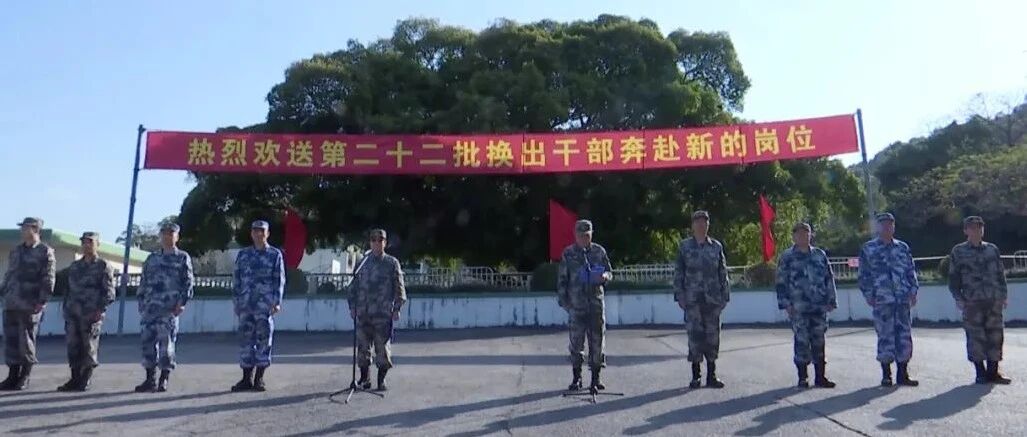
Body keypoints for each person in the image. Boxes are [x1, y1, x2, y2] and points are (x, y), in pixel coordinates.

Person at [948, 216, 1011, 384]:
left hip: (993, 300)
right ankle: (980, 372)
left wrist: (1003, 295)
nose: (977, 231)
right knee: (976, 337)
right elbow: (953, 279)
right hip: (972, 302)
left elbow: (1000, 274)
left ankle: (993, 372)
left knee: (995, 336)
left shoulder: (992, 249)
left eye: (979, 227)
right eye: (973, 228)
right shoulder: (958, 251)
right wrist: (959, 298)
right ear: (965, 231)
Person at [858, 212, 919, 387]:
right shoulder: (868, 249)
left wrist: (913, 290)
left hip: (902, 300)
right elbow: (863, 275)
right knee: (885, 336)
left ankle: (903, 373)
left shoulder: (902, 247)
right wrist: (869, 295)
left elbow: (910, 270)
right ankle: (886, 374)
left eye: (890, 224)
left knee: (904, 337)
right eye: (884, 224)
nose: (887, 227)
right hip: (882, 300)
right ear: (878, 227)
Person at [775, 222, 837, 388]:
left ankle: (820, 377)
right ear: (794, 236)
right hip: (798, 308)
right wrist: (786, 304)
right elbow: (781, 282)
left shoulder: (819, 255)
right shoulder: (787, 257)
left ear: (811, 235)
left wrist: (831, 300)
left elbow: (828, 278)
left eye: (806, 233)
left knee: (819, 341)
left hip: (818, 307)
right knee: (801, 342)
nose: (803, 236)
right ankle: (803, 377)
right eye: (800, 234)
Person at [134, 223, 194, 393]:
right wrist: (141, 301)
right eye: (165, 233)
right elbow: (144, 281)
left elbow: (188, 282)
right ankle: (149, 379)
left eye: (171, 233)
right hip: (150, 309)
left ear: (177, 237)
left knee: (166, 346)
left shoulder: (182, 257)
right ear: (160, 236)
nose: (168, 236)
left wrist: (182, 303)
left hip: (169, 309)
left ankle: (164, 379)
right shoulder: (152, 258)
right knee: (147, 344)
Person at [673, 210, 730, 389]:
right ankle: (696, 375)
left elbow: (723, 272)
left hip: (712, 300)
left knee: (713, 337)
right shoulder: (685, 247)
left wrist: (725, 296)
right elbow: (678, 273)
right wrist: (680, 296)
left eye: (704, 223)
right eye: (697, 223)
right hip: (692, 300)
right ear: (692, 226)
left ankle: (712, 375)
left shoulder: (716, 247)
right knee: (695, 337)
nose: (701, 226)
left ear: (708, 225)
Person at [557, 219, 614, 391]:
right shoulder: (568, 253)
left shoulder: (599, 251)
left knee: (597, 342)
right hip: (576, 306)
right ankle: (577, 378)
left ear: (591, 235)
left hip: (595, 305)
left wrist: (605, 276)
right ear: (576, 235)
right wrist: (565, 303)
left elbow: (610, 272)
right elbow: (562, 280)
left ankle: (596, 379)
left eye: (587, 236)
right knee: (576, 343)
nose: (584, 239)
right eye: (581, 236)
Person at [346, 229, 406, 391]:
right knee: (363, 349)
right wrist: (352, 307)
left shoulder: (391, 263)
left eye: (380, 240)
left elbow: (399, 288)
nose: (376, 243)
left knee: (382, 350)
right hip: (363, 313)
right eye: (373, 240)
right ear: (370, 242)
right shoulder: (362, 262)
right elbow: (352, 287)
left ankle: (381, 380)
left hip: (382, 313)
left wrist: (397, 308)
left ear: (385, 243)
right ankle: (365, 379)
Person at [0, 217, 56, 391]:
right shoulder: (16, 251)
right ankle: (12, 375)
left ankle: (25, 375)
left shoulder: (45, 251)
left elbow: (48, 278)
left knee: (26, 341)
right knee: (11, 341)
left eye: (25, 227)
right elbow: (9, 274)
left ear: (35, 229)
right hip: (11, 302)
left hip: (30, 303)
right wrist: (3, 291)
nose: (22, 231)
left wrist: (42, 300)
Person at [230, 220, 285, 392]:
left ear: (267, 234)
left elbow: (279, 280)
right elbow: (236, 279)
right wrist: (236, 301)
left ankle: (259, 378)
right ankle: (246, 378)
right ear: (251, 234)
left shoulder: (275, 254)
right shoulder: (243, 254)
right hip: (246, 305)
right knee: (246, 341)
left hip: (264, 305)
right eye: (255, 231)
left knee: (264, 340)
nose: (258, 234)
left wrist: (277, 301)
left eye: (262, 231)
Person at [59, 232, 116, 391]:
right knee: (73, 346)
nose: (87, 245)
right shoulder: (75, 266)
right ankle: (74, 378)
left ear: (98, 244)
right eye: (84, 242)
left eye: (90, 242)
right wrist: (66, 308)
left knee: (89, 346)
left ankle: (85, 379)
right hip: (73, 312)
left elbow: (109, 292)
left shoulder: (103, 265)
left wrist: (100, 309)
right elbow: (68, 289)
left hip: (91, 313)